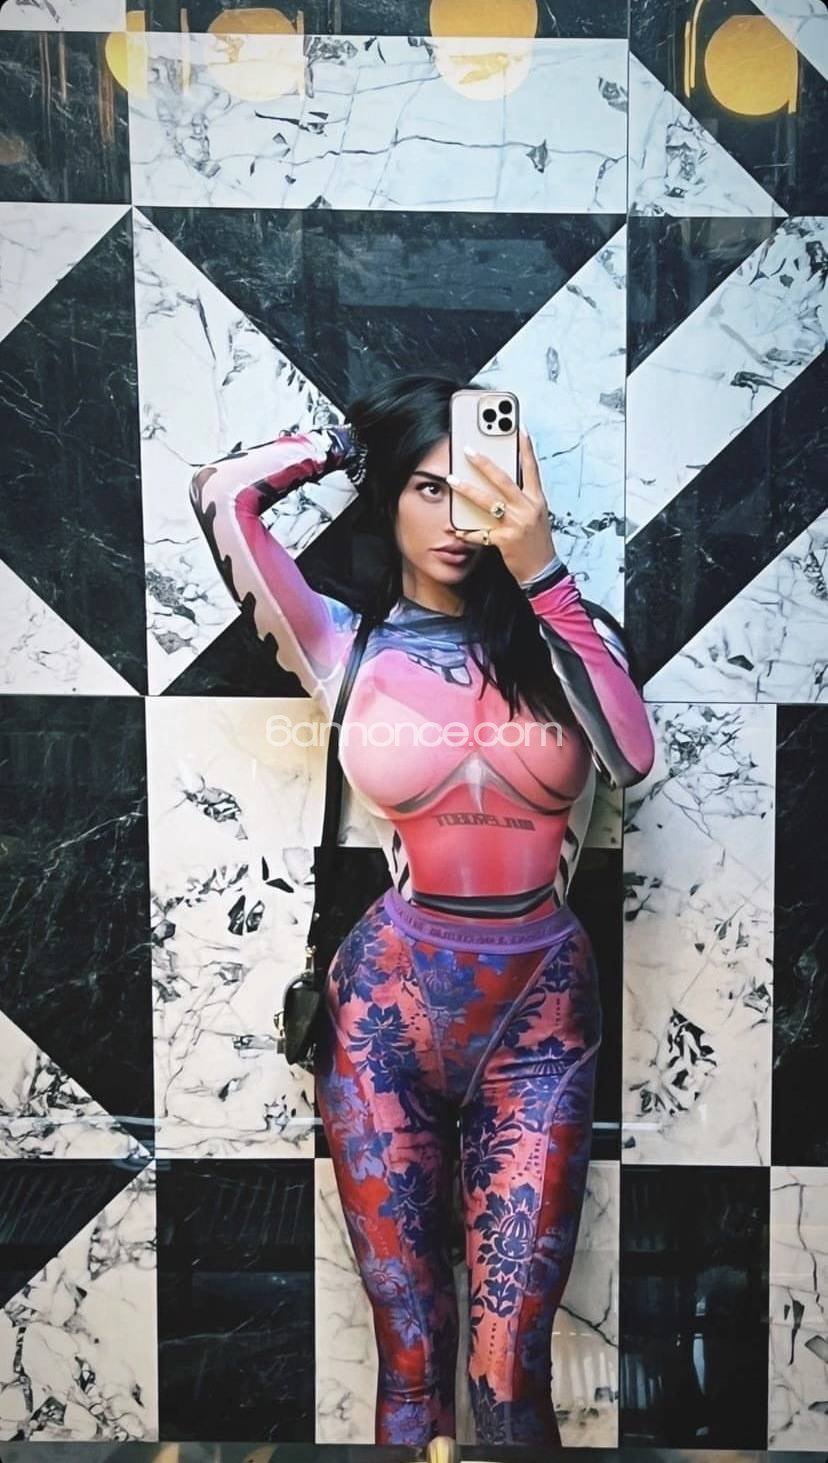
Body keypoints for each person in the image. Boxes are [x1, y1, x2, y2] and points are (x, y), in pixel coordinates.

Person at [189, 371, 655, 1448]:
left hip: (540, 1020)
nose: (454, 519)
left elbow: (629, 755)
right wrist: (353, 441)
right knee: (409, 1363)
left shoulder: (571, 634)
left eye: (475, 489)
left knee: (510, 1372)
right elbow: (222, 493)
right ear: (390, 495)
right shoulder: (342, 644)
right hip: (383, 1022)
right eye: (426, 489)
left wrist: (540, 569)